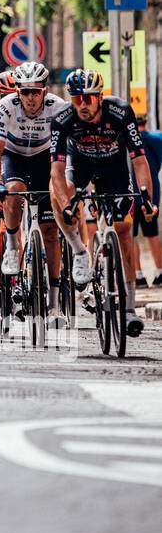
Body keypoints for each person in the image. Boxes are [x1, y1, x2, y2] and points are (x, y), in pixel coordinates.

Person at [49, 69, 157, 337]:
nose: (82, 105)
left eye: (88, 98)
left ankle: (130, 309)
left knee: (123, 231)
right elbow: (56, 171)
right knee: (59, 192)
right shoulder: (62, 120)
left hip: (115, 170)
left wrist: (147, 198)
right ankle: (80, 252)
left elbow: (140, 160)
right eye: (77, 99)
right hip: (80, 166)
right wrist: (66, 205)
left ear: (99, 97)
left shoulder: (120, 111)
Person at [0, 60, 64, 317]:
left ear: (45, 90)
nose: (30, 97)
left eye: (36, 91)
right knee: (13, 189)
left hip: (44, 159)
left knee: (51, 232)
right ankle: (11, 246)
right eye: (25, 92)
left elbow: (69, 150)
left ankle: (54, 302)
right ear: (17, 92)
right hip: (15, 156)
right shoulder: (7, 106)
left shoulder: (58, 107)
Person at [132, 113, 162, 287]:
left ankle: (138, 275)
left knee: (132, 236)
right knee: (153, 234)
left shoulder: (128, 141)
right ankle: (159, 272)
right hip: (151, 193)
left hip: (132, 193)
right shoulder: (157, 138)